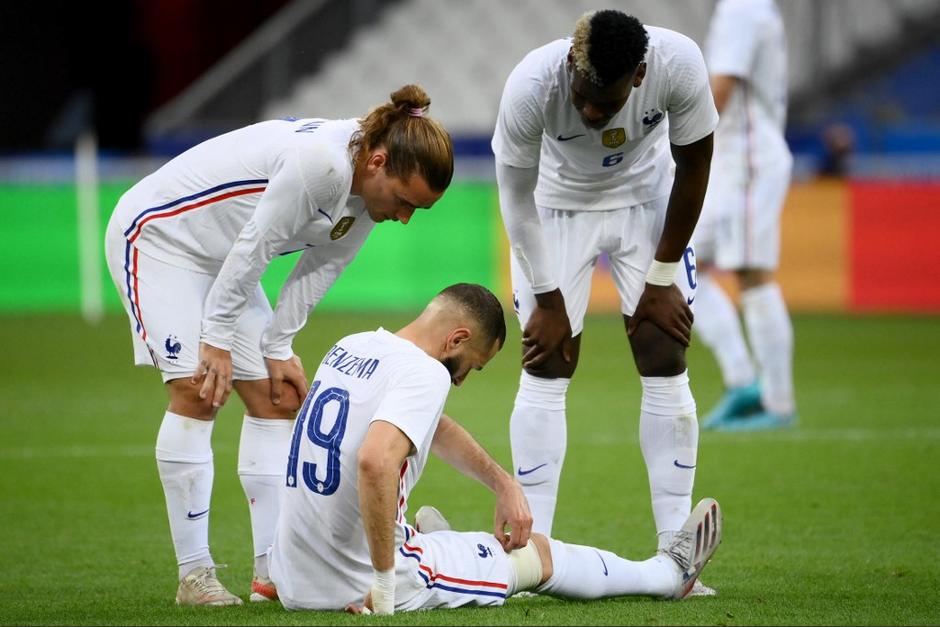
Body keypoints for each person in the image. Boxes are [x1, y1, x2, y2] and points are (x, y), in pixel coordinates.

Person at [103, 85, 453, 605]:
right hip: (161, 239)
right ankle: (194, 576)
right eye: (405, 202)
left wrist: (278, 347)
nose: (404, 218)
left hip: (224, 263)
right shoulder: (323, 165)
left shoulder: (365, 190)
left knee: (279, 396)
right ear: (378, 162)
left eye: (415, 211)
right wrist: (216, 340)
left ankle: (272, 574)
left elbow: (321, 268)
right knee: (199, 391)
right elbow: (257, 246)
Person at [268, 283, 722, 614]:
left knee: (443, 534)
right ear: (458, 340)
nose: (461, 381)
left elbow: (431, 425)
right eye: (471, 367)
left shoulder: (354, 346)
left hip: (293, 580)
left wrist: (503, 483)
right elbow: (374, 461)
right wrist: (385, 587)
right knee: (536, 557)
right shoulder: (426, 373)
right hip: (356, 584)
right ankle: (668, 575)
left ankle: (436, 547)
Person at [490, 9, 717, 593]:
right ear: (571, 62)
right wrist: (544, 298)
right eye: (583, 95)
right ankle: (529, 547)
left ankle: (677, 552)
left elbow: (695, 166)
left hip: (645, 201)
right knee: (547, 358)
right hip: (554, 209)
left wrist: (663, 277)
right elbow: (514, 196)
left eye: (605, 100)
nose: (590, 111)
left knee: (664, 351)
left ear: (640, 77)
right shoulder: (531, 84)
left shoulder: (679, 65)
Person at [693, 0, 797, 431]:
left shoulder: (741, 8)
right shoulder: (748, 9)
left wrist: (671, 139)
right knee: (679, 264)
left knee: (752, 273)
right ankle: (743, 382)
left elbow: (723, 85)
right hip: (733, 160)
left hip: (748, 159)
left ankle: (776, 402)